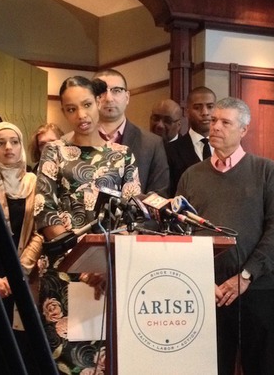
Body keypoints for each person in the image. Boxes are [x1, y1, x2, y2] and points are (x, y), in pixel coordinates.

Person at [34, 76, 141, 374]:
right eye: (70, 109)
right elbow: (46, 211)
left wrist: (104, 265)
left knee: (111, 359)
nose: (81, 115)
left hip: (108, 270)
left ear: (99, 102)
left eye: (86, 105)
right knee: (65, 360)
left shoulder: (122, 156)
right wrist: (83, 264)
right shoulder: (54, 151)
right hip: (64, 272)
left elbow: (133, 214)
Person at [176, 97, 274, 375]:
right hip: (206, 290)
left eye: (225, 122)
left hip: (256, 287)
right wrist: (202, 279)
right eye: (213, 120)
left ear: (244, 129)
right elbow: (180, 233)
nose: (215, 126)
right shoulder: (191, 176)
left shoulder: (266, 170)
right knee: (210, 367)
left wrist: (245, 276)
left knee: (260, 366)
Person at [0, 121, 43, 374]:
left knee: (22, 345)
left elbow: (40, 231)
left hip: (23, 273)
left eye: (14, 142)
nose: (8, 148)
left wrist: (19, 272)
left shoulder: (34, 182)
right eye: (0, 143)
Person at [92, 68, 169, 196]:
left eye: (116, 91)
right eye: (101, 92)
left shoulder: (151, 144)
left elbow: (159, 196)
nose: (109, 98)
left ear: (127, 97)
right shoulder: (73, 141)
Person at [166, 86, 216, 196]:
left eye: (210, 106)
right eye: (197, 108)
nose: (205, 112)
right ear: (187, 112)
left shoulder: (226, 149)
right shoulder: (170, 150)